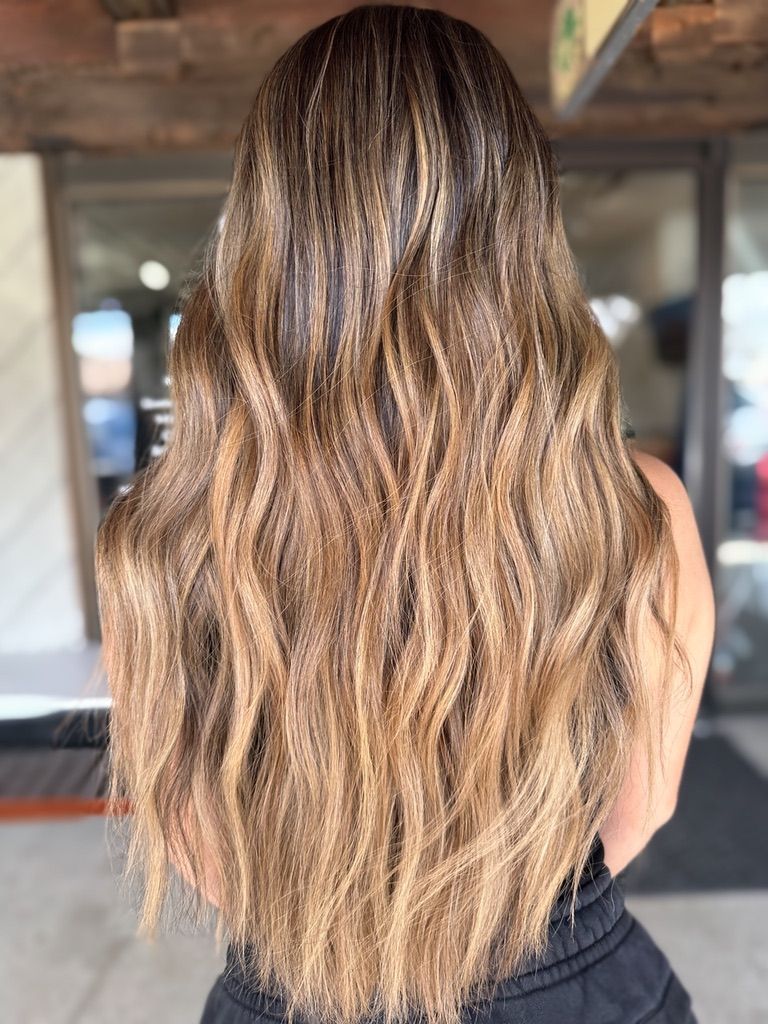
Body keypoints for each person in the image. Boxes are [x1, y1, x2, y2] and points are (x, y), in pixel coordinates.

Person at [94, 6, 716, 1023]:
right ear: (518, 227)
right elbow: (640, 809)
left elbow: (205, 855)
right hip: (577, 987)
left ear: (268, 228)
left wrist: (355, 921)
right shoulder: (635, 508)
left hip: (295, 991)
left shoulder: (163, 537)